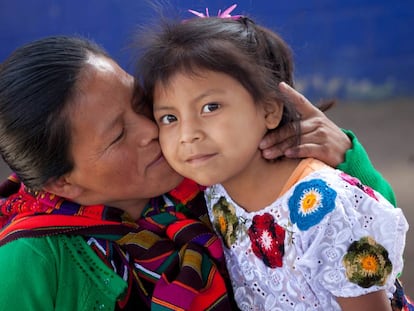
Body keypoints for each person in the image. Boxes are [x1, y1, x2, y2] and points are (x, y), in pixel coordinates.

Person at [0, 36, 401, 311]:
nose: (154, 129)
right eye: (119, 134)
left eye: (142, 102)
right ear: (62, 182)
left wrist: (344, 159)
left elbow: (366, 252)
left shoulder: (210, 170)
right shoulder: (30, 262)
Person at [136, 11, 411, 311]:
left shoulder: (322, 206)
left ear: (270, 110)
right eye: (169, 117)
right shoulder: (216, 190)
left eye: (210, 107)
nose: (187, 135)